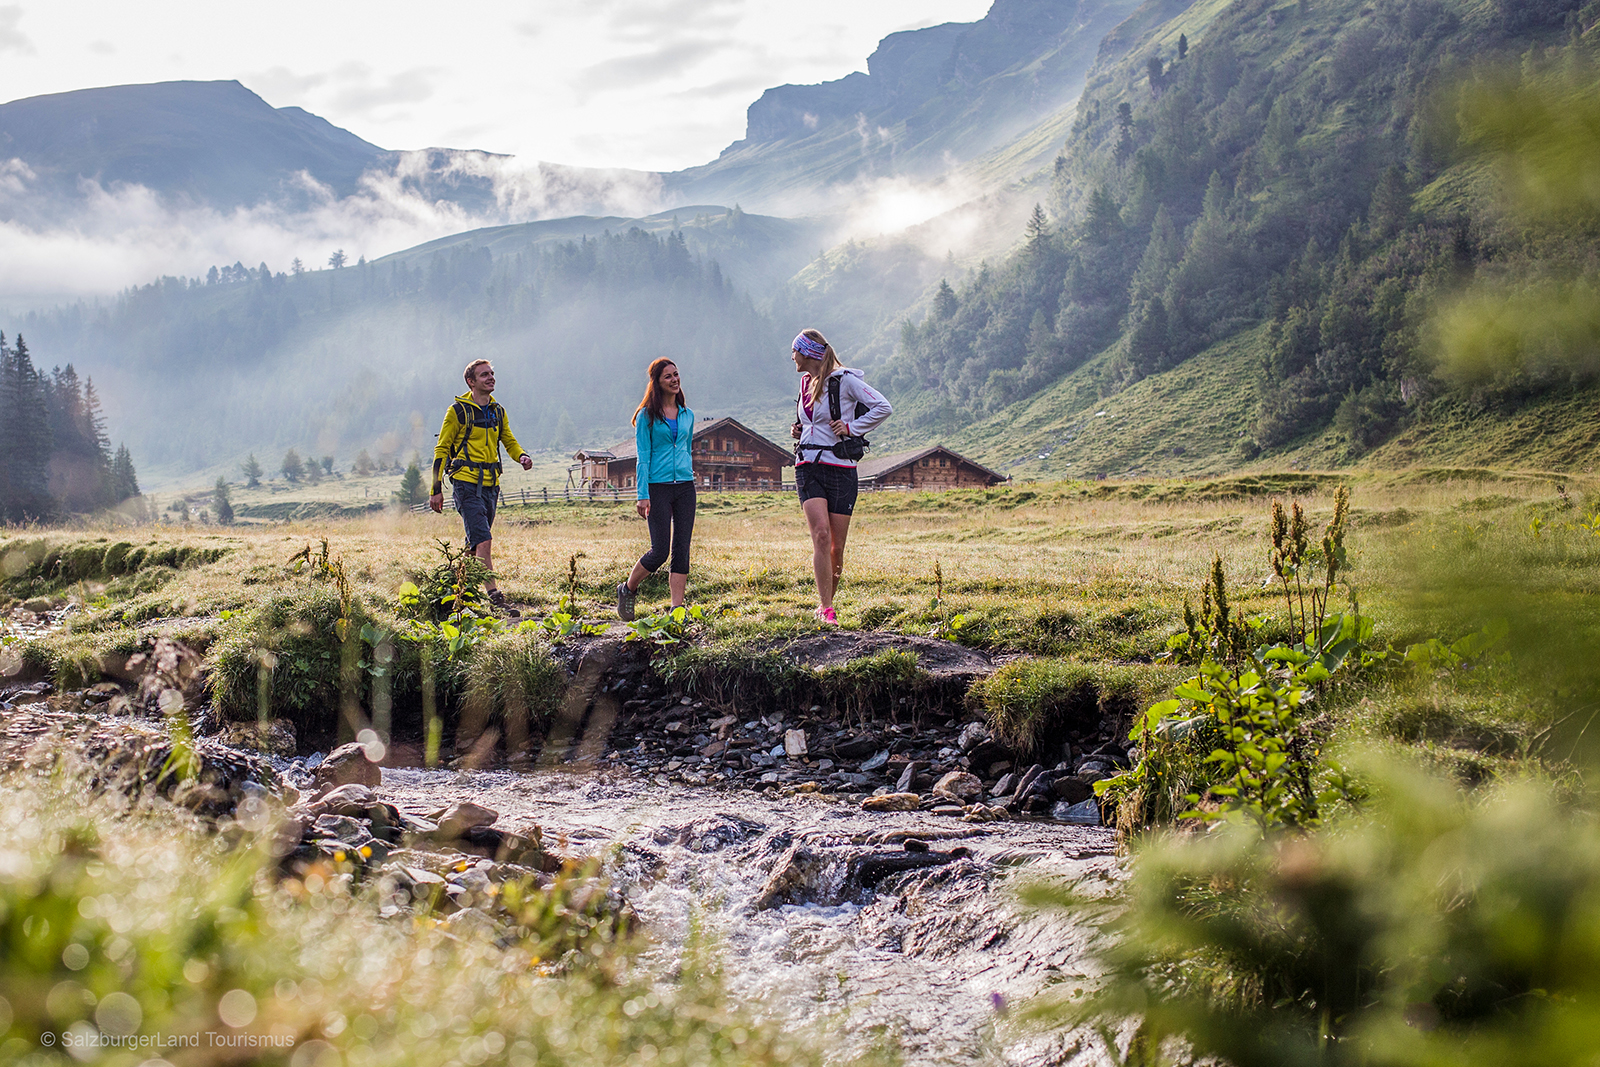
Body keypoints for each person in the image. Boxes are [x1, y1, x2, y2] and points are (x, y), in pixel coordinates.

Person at [789, 328, 892, 624]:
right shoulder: (804, 382)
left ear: (807, 352)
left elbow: (883, 407)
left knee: (836, 545)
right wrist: (798, 429)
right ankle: (826, 609)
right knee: (820, 535)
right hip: (808, 464)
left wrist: (851, 428)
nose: (791, 357)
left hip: (842, 468)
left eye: (794, 351)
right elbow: (811, 421)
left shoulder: (845, 380)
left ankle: (827, 603)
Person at [430, 359, 533, 616]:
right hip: (465, 484)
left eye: (492, 373)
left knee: (474, 546)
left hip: (491, 486)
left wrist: (521, 455)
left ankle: (456, 593)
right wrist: (435, 488)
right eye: (484, 375)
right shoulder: (457, 412)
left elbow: (508, 439)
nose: (491, 378)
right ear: (471, 381)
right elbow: (442, 449)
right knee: (484, 539)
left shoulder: (498, 411)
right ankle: (495, 598)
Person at [616, 358, 697, 621]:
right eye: (668, 377)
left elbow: (686, 449)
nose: (675, 380)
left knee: (681, 547)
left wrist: (687, 472)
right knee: (660, 550)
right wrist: (642, 494)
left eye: (676, 374)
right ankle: (628, 589)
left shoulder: (688, 414)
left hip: (685, 487)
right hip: (657, 487)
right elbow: (643, 457)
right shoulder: (646, 417)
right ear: (657, 383)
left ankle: (677, 607)